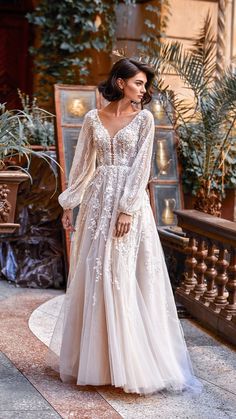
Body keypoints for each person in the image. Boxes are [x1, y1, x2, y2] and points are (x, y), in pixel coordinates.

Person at [48, 58, 202, 395]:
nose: (144, 90)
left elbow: (141, 168)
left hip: (127, 208)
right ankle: (98, 362)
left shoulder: (144, 120)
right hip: (96, 205)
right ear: (120, 83)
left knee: (120, 275)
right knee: (96, 273)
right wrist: (69, 204)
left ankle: (129, 364)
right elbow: (84, 165)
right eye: (138, 83)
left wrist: (128, 209)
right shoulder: (92, 119)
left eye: (145, 85)